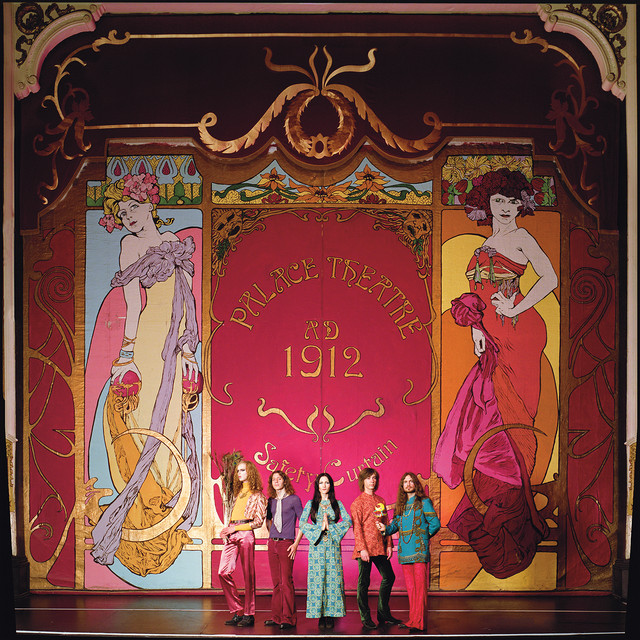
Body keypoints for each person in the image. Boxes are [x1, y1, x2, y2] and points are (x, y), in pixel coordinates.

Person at [433, 168, 555, 578]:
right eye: (498, 200)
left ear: (522, 204)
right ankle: (492, 506)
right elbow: (476, 296)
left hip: (519, 333)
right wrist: (475, 331)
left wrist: (517, 306)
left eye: (512, 201)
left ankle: (510, 511)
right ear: (486, 204)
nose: (504, 208)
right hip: (490, 334)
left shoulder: (522, 238)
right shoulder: (484, 245)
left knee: (508, 417)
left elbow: (551, 277)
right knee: (484, 412)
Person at [90, 173, 201, 576]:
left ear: (151, 205)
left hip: (174, 345)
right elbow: (133, 303)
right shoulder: (129, 245)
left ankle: (165, 502)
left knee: (171, 421)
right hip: (150, 341)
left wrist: (188, 350)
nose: (129, 217)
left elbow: (188, 299)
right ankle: (143, 503)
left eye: (133, 208)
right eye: (122, 213)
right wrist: (127, 352)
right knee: (143, 419)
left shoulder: (174, 243)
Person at [376, 472, 440, 633]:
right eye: (405, 482)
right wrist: (385, 529)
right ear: (402, 486)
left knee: (420, 588)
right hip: (405, 551)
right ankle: (413, 619)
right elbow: (394, 527)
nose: (408, 484)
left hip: (419, 550)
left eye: (411, 481)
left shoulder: (424, 502)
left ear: (416, 484)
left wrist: (423, 537)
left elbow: (435, 523)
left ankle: (420, 622)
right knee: (411, 589)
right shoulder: (401, 505)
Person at [350, 468, 401, 629]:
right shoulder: (357, 503)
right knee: (364, 583)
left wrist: (389, 545)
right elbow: (357, 528)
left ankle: (383, 613)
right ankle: (365, 617)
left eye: (374, 478)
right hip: (365, 548)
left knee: (389, 577)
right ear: (363, 481)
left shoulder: (380, 501)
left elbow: (386, 524)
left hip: (380, 546)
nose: (372, 481)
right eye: (368, 478)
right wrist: (362, 549)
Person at [218, 459, 267, 627]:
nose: (239, 473)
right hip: (232, 532)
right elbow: (233, 515)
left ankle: (249, 614)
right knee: (223, 572)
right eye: (238, 471)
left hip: (246, 534)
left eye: (242, 470)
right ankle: (238, 610)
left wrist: (236, 528)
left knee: (248, 575)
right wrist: (227, 529)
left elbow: (258, 522)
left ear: (250, 472)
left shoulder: (258, 495)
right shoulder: (237, 493)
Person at [300, 473, 352, 629]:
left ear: (331, 485)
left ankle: (330, 615)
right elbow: (302, 523)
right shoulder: (311, 504)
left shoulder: (337, 503)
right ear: (317, 485)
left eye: (327, 482)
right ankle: (320, 614)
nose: (324, 485)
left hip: (332, 546)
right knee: (317, 579)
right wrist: (319, 529)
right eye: (321, 483)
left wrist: (331, 527)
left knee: (333, 578)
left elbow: (348, 520)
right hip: (317, 547)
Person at [264, 470, 304, 630]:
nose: (276, 481)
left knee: (286, 581)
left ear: (284, 481)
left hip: (286, 543)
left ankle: (288, 618)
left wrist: (295, 544)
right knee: (276, 582)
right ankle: (276, 616)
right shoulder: (271, 501)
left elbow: (303, 522)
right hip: (272, 543)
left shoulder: (294, 499)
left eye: (279, 479)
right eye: (273, 479)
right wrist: (272, 535)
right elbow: (268, 520)